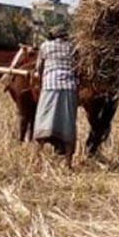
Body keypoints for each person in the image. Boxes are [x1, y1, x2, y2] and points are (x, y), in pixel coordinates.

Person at [33, 22, 79, 166]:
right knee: (68, 123)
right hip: (69, 88)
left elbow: (38, 69)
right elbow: (78, 67)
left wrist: (38, 75)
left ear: (52, 35)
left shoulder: (45, 46)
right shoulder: (72, 47)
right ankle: (68, 163)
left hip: (50, 87)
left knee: (42, 121)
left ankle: (37, 159)